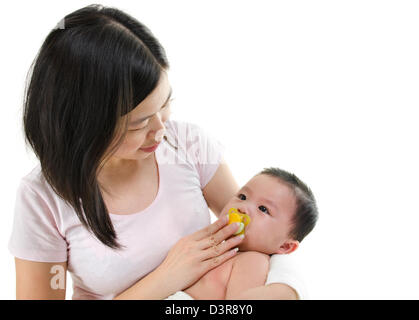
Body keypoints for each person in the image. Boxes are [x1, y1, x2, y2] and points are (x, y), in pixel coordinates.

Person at [8, 4, 303, 300]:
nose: (161, 130)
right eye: (139, 123)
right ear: (85, 124)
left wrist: (289, 289)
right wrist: (165, 277)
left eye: (165, 104)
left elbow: (264, 238)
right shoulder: (42, 200)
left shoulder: (188, 144)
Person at [165, 167, 318, 300]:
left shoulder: (253, 260)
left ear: (285, 246)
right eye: (242, 197)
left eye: (263, 209)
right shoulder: (216, 247)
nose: (243, 207)